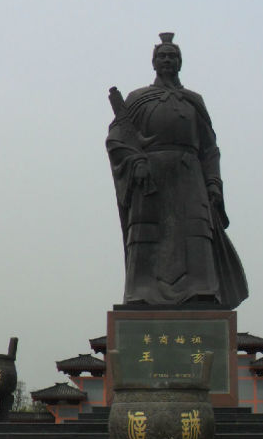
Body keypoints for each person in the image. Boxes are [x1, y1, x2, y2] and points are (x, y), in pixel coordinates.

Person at [106, 33, 248, 308]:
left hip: (189, 174)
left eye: (172, 56)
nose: (167, 60)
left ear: (180, 62)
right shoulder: (138, 99)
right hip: (151, 176)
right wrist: (135, 162)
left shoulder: (193, 101)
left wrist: (214, 183)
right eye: (162, 56)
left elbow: (209, 148)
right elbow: (117, 138)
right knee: (148, 232)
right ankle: (142, 291)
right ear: (154, 62)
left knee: (196, 231)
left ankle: (200, 289)